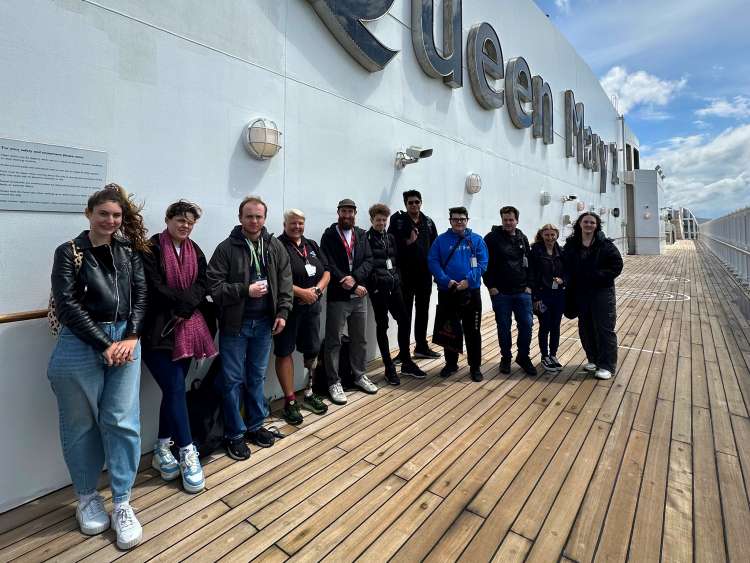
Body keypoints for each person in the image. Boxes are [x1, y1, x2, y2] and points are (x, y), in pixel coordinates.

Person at [47, 183, 148, 550]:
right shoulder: (68, 252)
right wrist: (104, 344)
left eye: (116, 215)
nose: (110, 220)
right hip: (81, 343)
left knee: (123, 422)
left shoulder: (129, 252)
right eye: (103, 213)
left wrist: (132, 336)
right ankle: (87, 497)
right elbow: (68, 303)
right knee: (80, 424)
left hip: (125, 341)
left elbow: (140, 296)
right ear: (89, 214)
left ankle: (122, 501)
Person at [207, 195, 293, 460]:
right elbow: (213, 286)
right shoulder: (226, 248)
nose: (254, 221)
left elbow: (286, 281)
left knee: (256, 377)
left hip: (265, 324)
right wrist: (245, 290)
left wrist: (282, 312)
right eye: (249, 216)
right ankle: (235, 433)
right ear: (240, 218)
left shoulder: (274, 245)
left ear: (264, 219)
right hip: (236, 326)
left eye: (259, 216)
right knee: (232, 380)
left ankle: (255, 426)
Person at [142, 200, 217, 493]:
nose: (185, 225)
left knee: (173, 390)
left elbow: (203, 281)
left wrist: (188, 304)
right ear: (168, 219)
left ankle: (162, 449)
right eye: (180, 220)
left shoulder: (195, 250)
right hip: (156, 333)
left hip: (187, 331)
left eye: (190, 222)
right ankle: (187, 451)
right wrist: (184, 303)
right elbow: (153, 285)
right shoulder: (151, 249)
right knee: (174, 387)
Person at [274, 209, 331, 425]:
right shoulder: (277, 245)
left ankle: (308, 393)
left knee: (312, 350)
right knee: (284, 351)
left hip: (312, 308)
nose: (297, 227)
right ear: (284, 223)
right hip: (288, 310)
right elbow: (276, 278)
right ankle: (289, 401)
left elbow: (326, 271)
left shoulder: (312, 245)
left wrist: (316, 291)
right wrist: (302, 293)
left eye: (300, 223)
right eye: (292, 223)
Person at [320, 198, 376, 404]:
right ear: (338, 213)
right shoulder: (329, 235)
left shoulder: (361, 234)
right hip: (338, 296)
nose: (347, 215)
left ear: (355, 214)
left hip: (359, 296)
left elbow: (369, 260)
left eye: (350, 212)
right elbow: (327, 262)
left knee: (359, 339)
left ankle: (359, 375)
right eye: (343, 211)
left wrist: (356, 279)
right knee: (334, 341)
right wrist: (346, 280)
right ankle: (334, 382)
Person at [367, 204, 427, 385]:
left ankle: (406, 361)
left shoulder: (390, 237)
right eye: (378, 220)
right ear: (372, 220)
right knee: (382, 325)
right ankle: (388, 367)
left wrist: (397, 279)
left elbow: (397, 260)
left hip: (394, 287)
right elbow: (366, 263)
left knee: (404, 320)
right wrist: (374, 285)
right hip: (379, 290)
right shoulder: (366, 238)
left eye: (384, 220)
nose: (381, 223)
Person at [428, 206, 488, 382]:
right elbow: (432, 261)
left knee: (473, 330)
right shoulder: (441, 241)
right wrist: (446, 280)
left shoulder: (476, 240)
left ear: (467, 220)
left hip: (471, 291)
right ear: (450, 221)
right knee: (449, 329)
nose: (459, 222)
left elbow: (482, 263)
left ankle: (475, 366)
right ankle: (451, 364)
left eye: (462, 219)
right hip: (448, 291)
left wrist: (468, 281)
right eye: (455, 219)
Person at [563, 212, 623, 380]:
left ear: (596, 225)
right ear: (580, 224)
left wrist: (595, 275)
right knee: (586, 327)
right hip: (581, 292)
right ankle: (594, 359)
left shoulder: (605, 245)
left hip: (602, 292)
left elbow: (616, 265)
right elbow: (566, 265)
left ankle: (607, 365)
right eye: (586, 222)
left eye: (592, 222)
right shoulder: (572, 244)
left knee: (604, 328)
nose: (588, 225)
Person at [483, 206, 537, 376]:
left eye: (511, 219)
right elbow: (486, 264)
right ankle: (505, 357)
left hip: (522, 291)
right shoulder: (491, 238)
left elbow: (530, 263)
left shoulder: (522, 238)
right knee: (504, 327)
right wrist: (491, 286)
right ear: (501, 220)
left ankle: (523, 357)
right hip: (501, 293)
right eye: (505, 219)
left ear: (517, 220)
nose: (508, 222)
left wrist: (529, 286)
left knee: (527, 325)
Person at [388, 189, 440, 360]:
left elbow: (435, 249)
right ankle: (403, 353)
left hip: (424, 276)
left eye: (417, 201)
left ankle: (421, 347)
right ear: (405, 204)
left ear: (421, 202)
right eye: (410, 202)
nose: (414, 205)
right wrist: (408, 242)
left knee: (423, 311)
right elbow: (390, 245)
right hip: (405, 276)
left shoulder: (429, 222)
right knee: (405, 315)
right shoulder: (398, 221)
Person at [530, 224, 565, 372]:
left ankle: (553, 355)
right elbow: (531, 274)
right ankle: (544, 356)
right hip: (542, 296)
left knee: (555, 326)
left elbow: (568, 271)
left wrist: (563, 280)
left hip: (558, 295)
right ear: (542, 235)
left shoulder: (562, 251)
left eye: (552, 235)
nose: (550, 238)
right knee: (545, 325)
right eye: (547, 235)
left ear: (556, 235)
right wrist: (535, 297)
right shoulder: (535, 252)